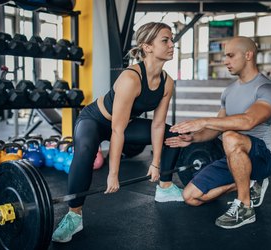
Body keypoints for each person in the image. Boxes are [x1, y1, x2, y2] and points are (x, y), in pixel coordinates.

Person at [52, 22, 183, 243]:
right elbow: (117, 129)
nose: (172, 44)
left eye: (171, 39)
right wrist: (113, 174)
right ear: (147, 46)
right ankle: (74, 215)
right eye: (165, 40)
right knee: (84, 151)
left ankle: (165, 187)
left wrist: (156, 164)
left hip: (124, 123)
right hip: (95, 119)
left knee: (172, 134)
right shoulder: (131, 78)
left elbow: (158, 125)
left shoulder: (167, 82)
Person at [165, 36, 271, 229]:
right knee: (191, 197)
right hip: (234, 157)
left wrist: (202, 120)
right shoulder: (228, 91)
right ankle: (247, 183)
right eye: (224, 56)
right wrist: (193, 137)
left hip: (262, 157)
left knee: (230, 136)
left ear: (248, 55)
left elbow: (248, 121)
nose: (225, 61)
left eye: (230, 55)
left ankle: (245, 207)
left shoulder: (267, 88)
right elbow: (214, 129)